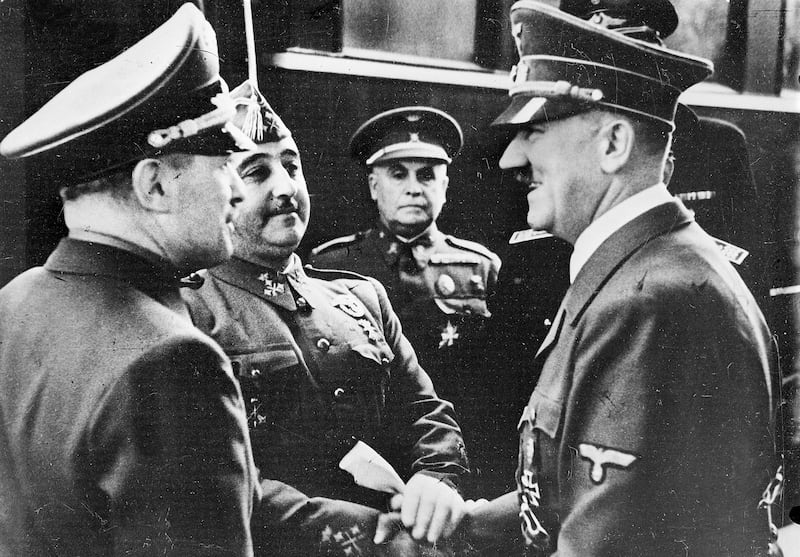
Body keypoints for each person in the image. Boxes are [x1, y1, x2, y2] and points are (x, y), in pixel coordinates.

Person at [415, 2, 779, 555]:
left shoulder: (648, 303)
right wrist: (468, 525)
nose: (513, 157)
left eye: (534, 130)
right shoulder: (643, 272)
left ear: (613, 144)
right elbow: (586, 486)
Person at [0, 5, 265, 556]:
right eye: (223, 165)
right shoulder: (171, 361)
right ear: (155, 186)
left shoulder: (15, 299)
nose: (237, 191)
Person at [182, 82, 470, 557]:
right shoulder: (191, 311)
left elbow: (426, 412)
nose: (285, 187)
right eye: (257, 172)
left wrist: (436, 480)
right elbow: (212, 480)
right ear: (221, 190)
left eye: (292, 166)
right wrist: (365, 531)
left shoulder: (361, 296)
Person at [308, 107, 505, 496]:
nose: (414, 188)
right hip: (365, 465)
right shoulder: (331, 265)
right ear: (373, 186)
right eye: (398, 174)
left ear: (445, 186)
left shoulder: (481, 267)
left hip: (458, 457)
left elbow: (496, 384)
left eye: (427, 175)